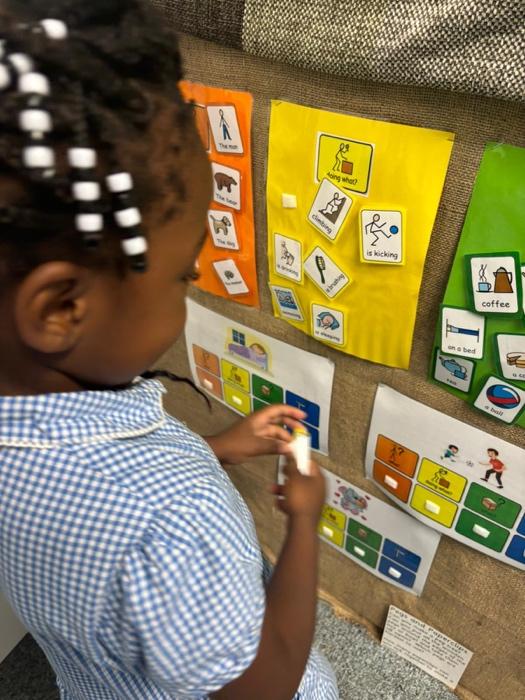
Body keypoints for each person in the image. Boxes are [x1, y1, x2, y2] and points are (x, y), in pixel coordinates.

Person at [0, 2, 338, 700]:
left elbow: (92, 514)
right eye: (183, 274)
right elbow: (263, 684)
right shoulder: (174, 518)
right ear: (62, 309)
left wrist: (216, 448)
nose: (186, 294)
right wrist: (303, 519)